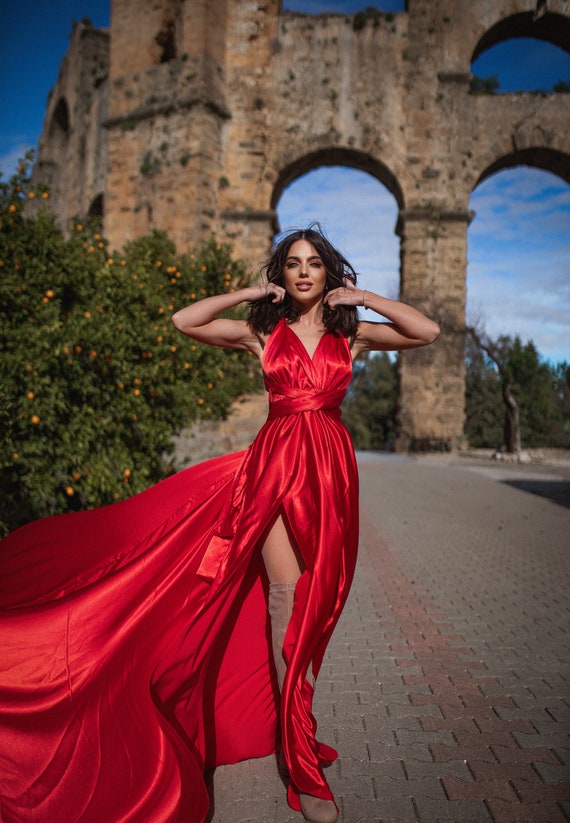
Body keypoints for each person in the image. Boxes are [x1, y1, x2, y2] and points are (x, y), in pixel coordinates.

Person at [0, 227, 439, 823]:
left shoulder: (351, 334)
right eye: (292, 265)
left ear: (329, 273)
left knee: (322, 603)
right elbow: (186, 320)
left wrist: (362, 300)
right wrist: (246, 292)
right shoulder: (265, 333)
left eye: (314, 265)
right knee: (288, 603)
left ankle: (294, 726)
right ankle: (301, 760)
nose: (303, 273)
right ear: (281, 275)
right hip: (275, 468)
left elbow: (426, 332)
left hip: (332, 474)